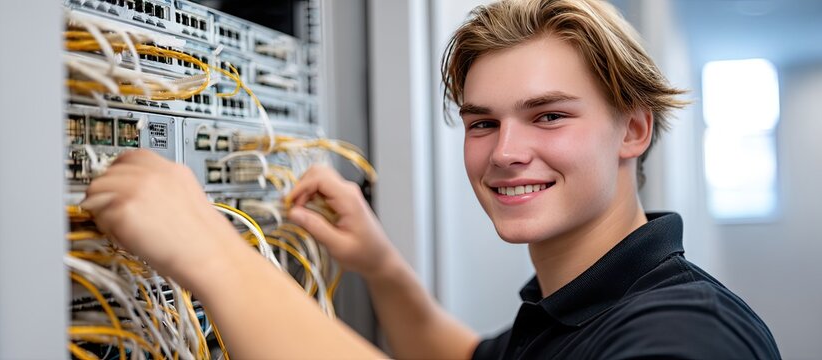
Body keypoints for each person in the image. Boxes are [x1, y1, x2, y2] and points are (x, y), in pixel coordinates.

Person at [80, 0, 781, 358]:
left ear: (632, 130)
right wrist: (380, 266)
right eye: (482, 123)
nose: (506, 151)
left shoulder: (681, 337)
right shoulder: (581, 305)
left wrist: (209, 251)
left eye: (547, 116)